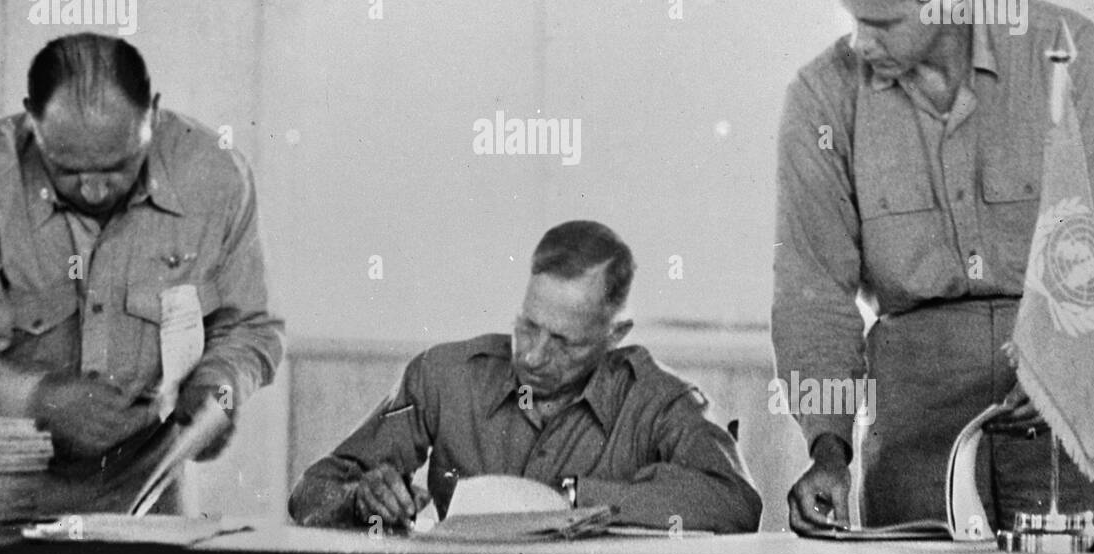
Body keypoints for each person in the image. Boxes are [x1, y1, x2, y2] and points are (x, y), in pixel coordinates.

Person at [773, 0, 1094, 534]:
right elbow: (813, 296)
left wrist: (1062, 373)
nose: (863, 45)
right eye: (854, 20)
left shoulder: (1063, 51)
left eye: (885, 23)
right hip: (916, 420)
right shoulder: (822, 96)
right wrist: (828, 450)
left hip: (1069, 400)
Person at [0, 33, 284, 512]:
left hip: (141, 498)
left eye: (117, 166)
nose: (92, 190)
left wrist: (221, 388)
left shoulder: (216, 177)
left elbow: (250, 325)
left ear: (152, 112)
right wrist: (40, 400)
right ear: (31, 118)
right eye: (65, 169)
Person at [289, 220, 761, 533]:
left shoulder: (662, 400)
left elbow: (737, 503)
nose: (532, 356)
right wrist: (359, 499)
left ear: (615, 333)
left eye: (563, 341)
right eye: (527, 326)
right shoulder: (443, 375)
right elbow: (310, 493)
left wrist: (574, 499)